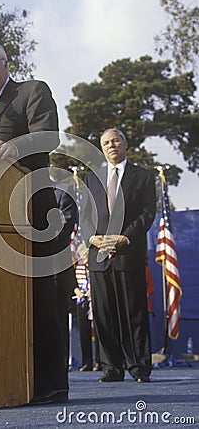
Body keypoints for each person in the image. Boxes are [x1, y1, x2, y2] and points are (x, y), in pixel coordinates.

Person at [0, 39, 67, 404]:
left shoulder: (31, 92)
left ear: (5, 64)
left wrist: (17, 147)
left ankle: (51, 384)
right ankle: (3, 376)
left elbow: (50, 135)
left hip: (31, 210)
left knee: (40, 298)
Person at [81, 128, 156, 383]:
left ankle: (139, 367)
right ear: (101, 148)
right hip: (99, 257)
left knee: (134, 313)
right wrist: (92, 238)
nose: (111, 145)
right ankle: (111, 368)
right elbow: (85, 217)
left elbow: (147, 214)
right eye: (105, 143)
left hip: (129, 254)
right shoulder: (91, 179)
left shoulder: (143, 177)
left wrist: (124, 238)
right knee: (104, 315)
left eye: (115, 141)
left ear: (125, 143)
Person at [52, 180, 78, 370]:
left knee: (57, 321)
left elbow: (63, 227)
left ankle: (58, 371)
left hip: (53, 269)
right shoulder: (17, 192)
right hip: (22, 271)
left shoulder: (62, 192)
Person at [74, 243, 100, 372]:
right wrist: (78, 291)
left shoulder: (96, 265)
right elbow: (73, 283)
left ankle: (100, 361)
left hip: (96, 301)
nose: (83, 257)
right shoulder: (78, 268)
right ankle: (87, 362)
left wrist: (92, 291)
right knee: (84, 333)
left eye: (85, 254)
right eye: (81, 255)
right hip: (82, 302)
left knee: (99, 332)